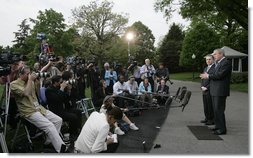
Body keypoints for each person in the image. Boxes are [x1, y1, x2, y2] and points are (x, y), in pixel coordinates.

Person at [10, 66, 67, 153]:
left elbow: (37, 94)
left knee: (58, 120)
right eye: (27, 74)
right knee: (49, 126)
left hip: (38, 108)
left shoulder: (30, 82)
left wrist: (37, 83)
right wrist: (30, 80)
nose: (30, 76)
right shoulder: (14, 84)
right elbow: (26, 93)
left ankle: (48, 142)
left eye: (30, 73)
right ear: (20, 74)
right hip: (28, 111)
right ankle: (61, 149)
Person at [200, 48, 232, 135]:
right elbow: (215, 74)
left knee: (219, 110)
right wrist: (208, 76)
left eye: (215, 54)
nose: (213, 56)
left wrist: (208, 76)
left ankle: (222, 130)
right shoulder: (218, 63)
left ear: (221, 54)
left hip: (220, 90)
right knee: (215, 110)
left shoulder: (226, 62)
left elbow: (220, 75)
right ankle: (217, 126)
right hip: (215, 90)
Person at [45, 75, 82, 143]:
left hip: (63, 109)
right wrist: (62, 88)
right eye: (60, 82)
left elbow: (66, 99)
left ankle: (78, 130)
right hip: (56, 112)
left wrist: (69, 90)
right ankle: (72, 135)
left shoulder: (60, 88)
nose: (62, 83)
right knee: (73, 117)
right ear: (55, 82)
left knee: (78, 111)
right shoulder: (49, 90)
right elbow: (57, 99)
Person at [200, 54, 215, 125]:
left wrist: (207, 87)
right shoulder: (205, 68)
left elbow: (213, 80)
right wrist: (202, 86)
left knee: (210, 105)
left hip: (210, 89)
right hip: (204, 89)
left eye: (209, 59)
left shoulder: (215, 68)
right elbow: (202, 78)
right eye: (207, 59)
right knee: (205, 105)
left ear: (213, 60)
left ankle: (211, 120)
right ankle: (207, 118)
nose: (208, 61)